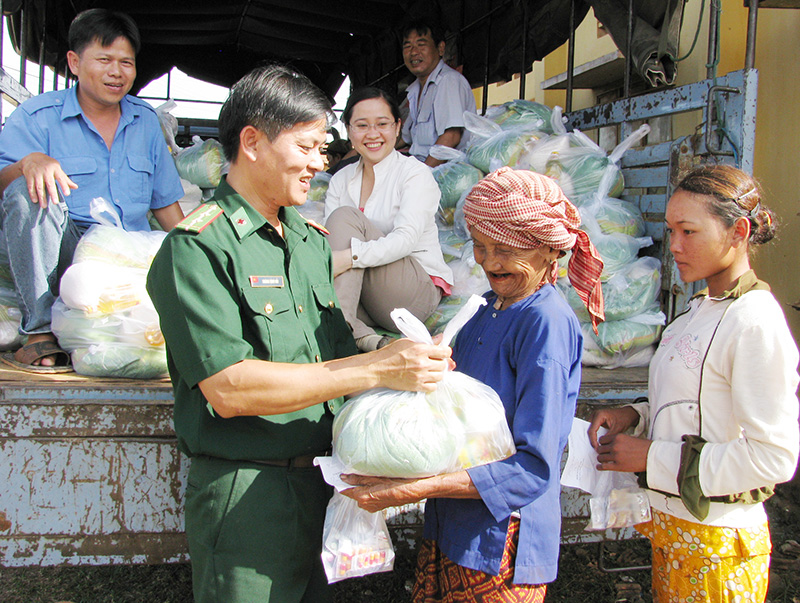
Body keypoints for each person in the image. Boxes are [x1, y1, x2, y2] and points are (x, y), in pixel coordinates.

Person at [146, 64, 452, 603]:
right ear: (253, 141)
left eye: (324, 148)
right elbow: (230, 387)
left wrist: (401, 355)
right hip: (248, 494)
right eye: (307, 146)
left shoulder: (309, 243)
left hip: (324, 485)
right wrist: (377, 367)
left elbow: (339, 346)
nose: (320, 162)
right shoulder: (197, 248)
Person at [341, 167, 605, 602]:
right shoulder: (485, 306)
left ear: (546, 250)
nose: (489, 262)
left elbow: (532, 469)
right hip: (452, 526)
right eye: (481, 248)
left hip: (498, 544)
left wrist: (418, 488)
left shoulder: (545, 322)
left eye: (506, 249)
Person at [587, 164, 800, 603]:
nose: (676, 247)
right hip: (677, 534)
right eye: (671, 231)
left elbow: (774, 458)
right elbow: (691, 404)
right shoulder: (700, 310)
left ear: (738, 231)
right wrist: (636, 415)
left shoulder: (754, 321)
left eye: (689, 231)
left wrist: (651, 457)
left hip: (718, 546)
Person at [0, 8, 184, 372]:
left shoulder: (146, 122)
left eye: (126, 62)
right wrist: (28, 163)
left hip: (126, 260)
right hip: (63, 255)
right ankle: (38, 331)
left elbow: (168, 209)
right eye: (104, 59)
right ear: (74, 61)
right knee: (27, 189)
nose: (117, 72)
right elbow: (7, 187)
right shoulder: (38, 117)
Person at [324, 87, 453, 352]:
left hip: (412, 292)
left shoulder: (415, 174)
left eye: (382, 124)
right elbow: (330, 242)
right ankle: (362, 336)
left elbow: (405, 240)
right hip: (368, 299)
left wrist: (347, 258)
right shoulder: (340, 180)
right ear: (349, 131)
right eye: (361, 125)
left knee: (346, 218)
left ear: (397, 127)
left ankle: (337, 333)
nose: (373, 134)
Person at [400, 20, 477, 167]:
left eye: (421, 45)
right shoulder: (415, 90)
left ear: (440, 48)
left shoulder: (449, 81)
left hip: (445, 175)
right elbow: (405, 137)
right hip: (419, 169)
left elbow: (451, 137)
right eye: (408, 46)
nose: (414, 52)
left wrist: (422, 177)